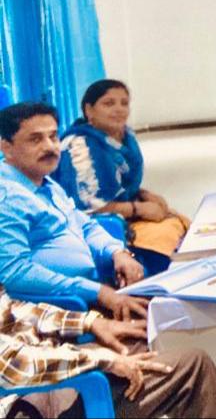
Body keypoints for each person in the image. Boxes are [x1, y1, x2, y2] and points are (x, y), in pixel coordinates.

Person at [0, 102, 149, 321]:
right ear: (6, 147)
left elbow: (85, 226)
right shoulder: (7, 199)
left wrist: (117, 253)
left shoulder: (45, 183)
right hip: (61, 308)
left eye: (53, 137)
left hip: (95, 287)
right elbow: (14, 273)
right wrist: (98, 292)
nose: (49, 147)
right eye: (35, 139)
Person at [0, 286, 216, 418]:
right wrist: (103, 360)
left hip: (43, 376)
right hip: (24, 403)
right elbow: (13, 365)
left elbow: (13, 312)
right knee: (192, 366)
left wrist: (91, 323)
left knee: (134, 342)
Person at [54, 79, 189, 276]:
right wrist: (138, 208)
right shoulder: (79, 145)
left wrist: (144, 194)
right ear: (89, 110)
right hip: (98, 227)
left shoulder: (125, 137)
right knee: (163, 238)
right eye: (109, 103)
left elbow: (122, 185)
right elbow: (88, 206)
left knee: (181, 224)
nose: (119, 109)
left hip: (122, 215)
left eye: (124, 103)